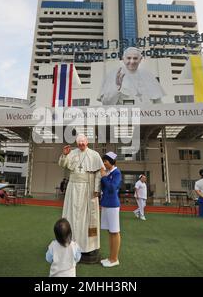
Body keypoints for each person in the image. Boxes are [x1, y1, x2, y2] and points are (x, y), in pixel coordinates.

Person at [58, 134, 104, 263]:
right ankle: (70, 242)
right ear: (77, 143)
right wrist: (65, 154)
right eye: (79, 143)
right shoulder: (72, 153)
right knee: (71, 215)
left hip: (88, 190)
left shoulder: (94, 155)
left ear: (87, 142)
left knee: (88, 218)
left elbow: (99, 173)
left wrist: (96, 189)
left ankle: (88, 247)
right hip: (73, 188)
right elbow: (63, 164)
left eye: (83, 142)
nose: (81, 144)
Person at [97, 47, 166, 105]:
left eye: (135, 58)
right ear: (123, 59)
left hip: (147, 117)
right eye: (129, 58)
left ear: (140, 59)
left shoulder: (148, 75)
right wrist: (116, 88)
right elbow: (106, 103)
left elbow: (158, 102)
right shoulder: (113, 74)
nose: (132, 61)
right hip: (124, 118)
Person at [99, 152, 122, 268]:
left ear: (111, 162)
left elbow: (113, 188)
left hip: (112, 205)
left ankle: (114, 259)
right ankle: (111, 257)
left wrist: (103, 176)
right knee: (110, 232)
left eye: (105, 161)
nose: (104, 163)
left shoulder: (117, 173)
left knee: (115, 232)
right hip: (106, 204)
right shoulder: (108, 173)